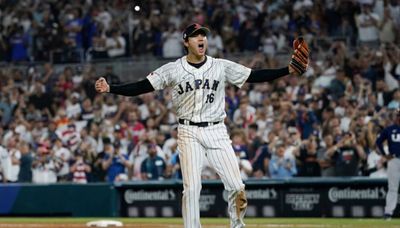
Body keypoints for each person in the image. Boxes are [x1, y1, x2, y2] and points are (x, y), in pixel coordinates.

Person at [95, 23, 309, 228]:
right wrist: (111, 88)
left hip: (217, 130)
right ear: (186, 41)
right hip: (188, 131)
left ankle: (237, 225)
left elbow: (254, 75)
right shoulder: (173, 69)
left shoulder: (219, 65)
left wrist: (288, 70)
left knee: (236, 186)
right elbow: (141, 87)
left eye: (204, 35)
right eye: (197, 36)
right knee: (192, 188)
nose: (202, 39)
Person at [376, 109, 400, 221]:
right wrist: (385, 155)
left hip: (394, 160)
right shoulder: (389, 129)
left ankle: (388, 213)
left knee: (392, 188)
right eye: (398, 115)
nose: (398, 117)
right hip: (394, 159)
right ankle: (388, 213)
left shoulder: (390, 129)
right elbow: (378, 142)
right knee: (392, 188)